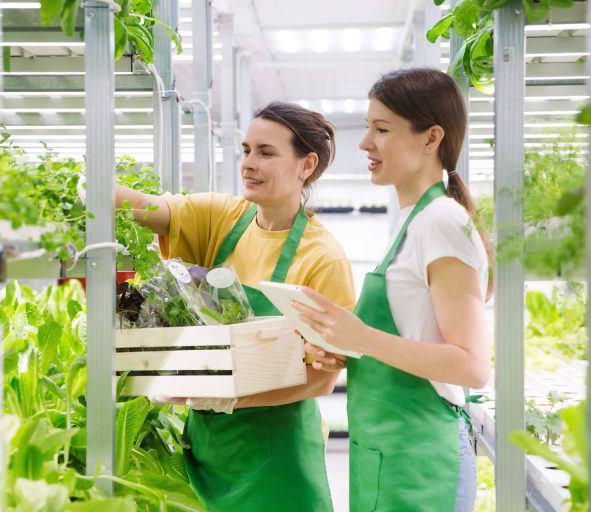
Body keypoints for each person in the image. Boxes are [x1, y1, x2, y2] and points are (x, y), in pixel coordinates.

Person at [114, 101, 355, 511]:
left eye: (266, 152)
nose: (249, 163)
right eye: (246, 150)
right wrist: (82, 186)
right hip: (206, 447)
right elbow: (139, 206)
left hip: (276, 456)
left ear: (306, 165)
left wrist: (227, 398)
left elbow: (320, 380)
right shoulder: (223, 218)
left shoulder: (323, 258)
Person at [292, 68, 492, 512]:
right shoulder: (416, 221)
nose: (365, 143)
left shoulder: (441, 221)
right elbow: (414, 338)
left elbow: (473, 365)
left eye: (381, 129)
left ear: (430, 138)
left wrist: (360, 338)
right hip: (389, 455)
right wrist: (345, 347)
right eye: (368, 128)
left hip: (419, 462)